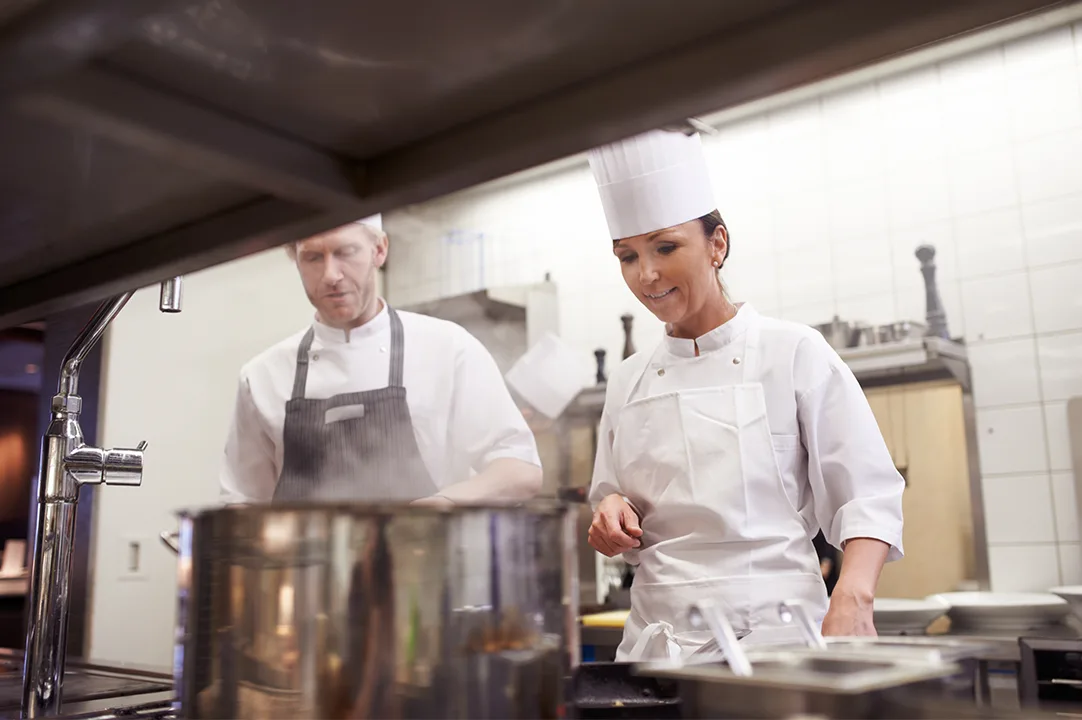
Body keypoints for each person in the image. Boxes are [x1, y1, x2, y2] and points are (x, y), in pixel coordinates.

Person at [585, 126, 904, 661]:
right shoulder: (627, 380)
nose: (648, 274)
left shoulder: (794, 352)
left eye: (665, 247)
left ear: (718, 244)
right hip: (652, 650)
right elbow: (608, 498)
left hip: (773, 645)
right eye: (628, 256)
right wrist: (611, 514)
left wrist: (853, 595)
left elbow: (866, 495)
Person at [220, 215, 543, 506]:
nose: (331, 275)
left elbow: (519, 468)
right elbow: (243, 502)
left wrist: (442, 505)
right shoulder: (262, 376)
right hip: (305, 571)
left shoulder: (448, 348)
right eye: (313, 257)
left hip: (424, 561)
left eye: (346, 252)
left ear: (379, 250)